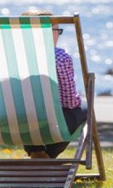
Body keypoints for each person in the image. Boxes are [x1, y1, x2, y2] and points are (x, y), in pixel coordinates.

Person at [21, 10, 86, 159]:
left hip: (11, 125)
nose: (58, 35)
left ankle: (35, 151)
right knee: (82, 109)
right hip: (50, 125)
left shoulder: (9, 57)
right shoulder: (59, 57)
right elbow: (69, 102)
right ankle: (48, 154)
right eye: (57, 30)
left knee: (27, 110)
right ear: (44, 33)